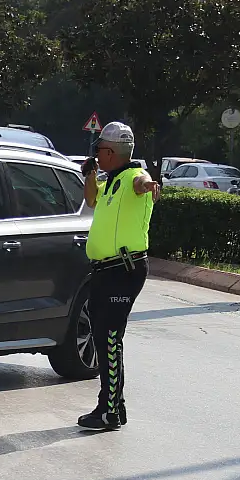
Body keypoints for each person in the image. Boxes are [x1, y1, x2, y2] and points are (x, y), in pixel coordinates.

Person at [77, 122, 160, 431]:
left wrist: (148, 185)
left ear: (112, 152)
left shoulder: (133, 178)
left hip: (123, 269)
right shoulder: (109, 181)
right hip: (104, 269)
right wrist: (90, 172)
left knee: (110, 338)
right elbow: (90, 199)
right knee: (102, 336)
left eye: (99, 149)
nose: (96, 153)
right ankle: (115, 407)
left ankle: (109, 410)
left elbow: (141, 182)